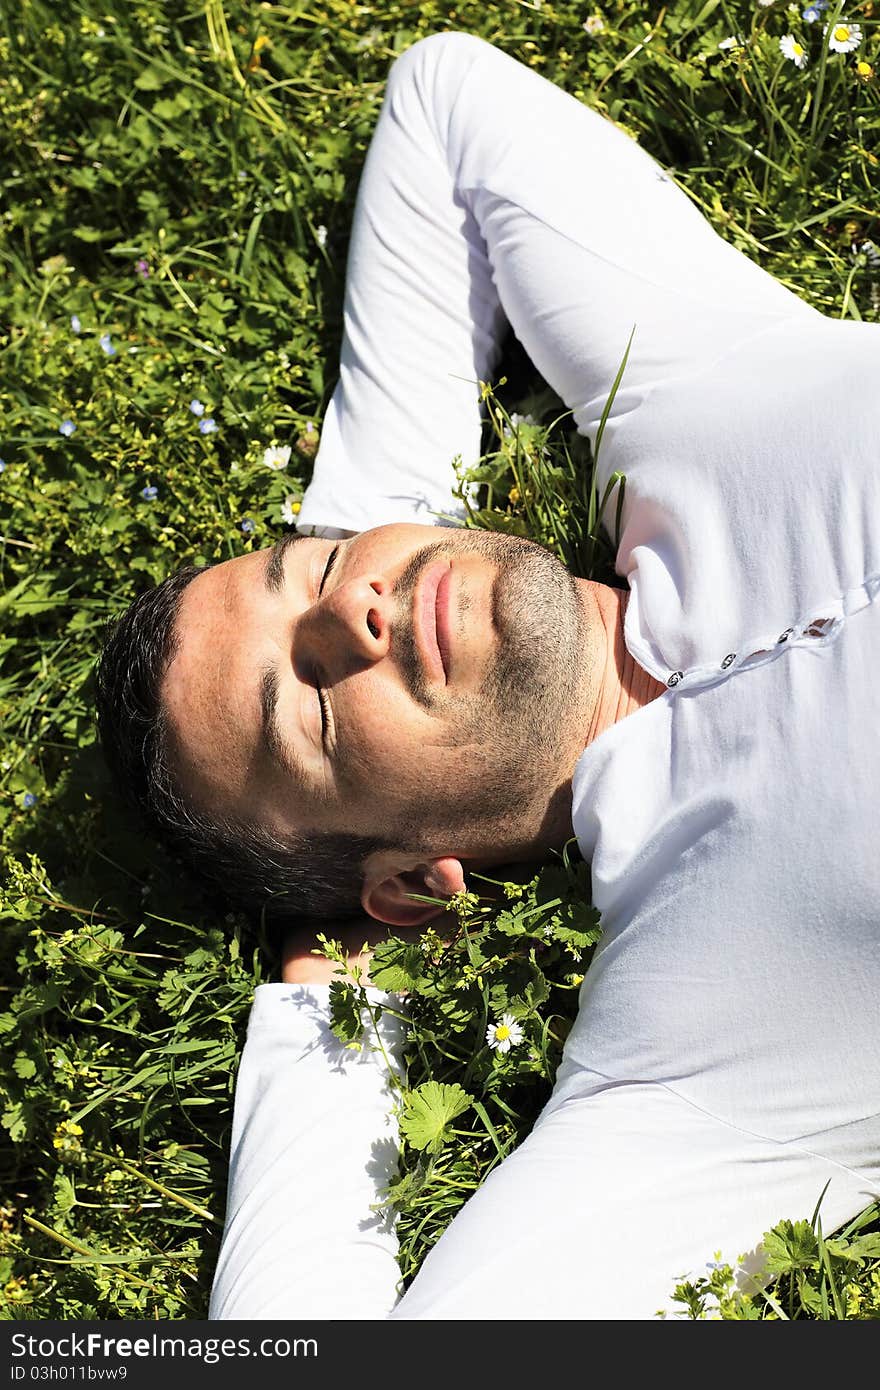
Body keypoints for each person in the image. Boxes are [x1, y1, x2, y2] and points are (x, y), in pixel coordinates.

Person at [94, 32, 880, 1319]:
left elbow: (445, 103)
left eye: (321, 570)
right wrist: (325, 1010)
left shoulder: (696, 396)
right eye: (304, 703)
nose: (351, 607)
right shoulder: (693, 1056)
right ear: (404, 883)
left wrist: (381, 537)